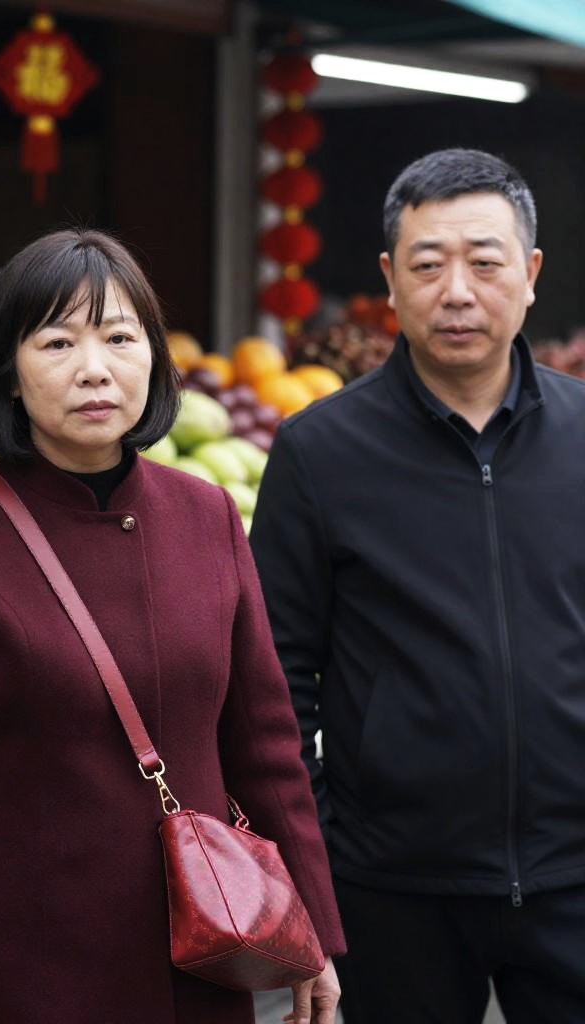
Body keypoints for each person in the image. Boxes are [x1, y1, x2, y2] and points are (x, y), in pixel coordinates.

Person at [0, 227, 344, 1024]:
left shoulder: (206, 515)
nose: (94, 368)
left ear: (153, 357)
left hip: (205, 967)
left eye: (119, 338)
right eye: (57, 343)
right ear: (8, 372)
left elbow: (265, 745)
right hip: (34, 978)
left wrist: (314, 929)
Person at [250, 148, 585, 1023]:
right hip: (390, 889)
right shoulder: (320, 452)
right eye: (429, 265)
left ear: (531, 274)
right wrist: (320, 856)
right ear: (390, 279)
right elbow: (275, 681)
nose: (458, 291)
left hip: (574, 876)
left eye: (486, 262)